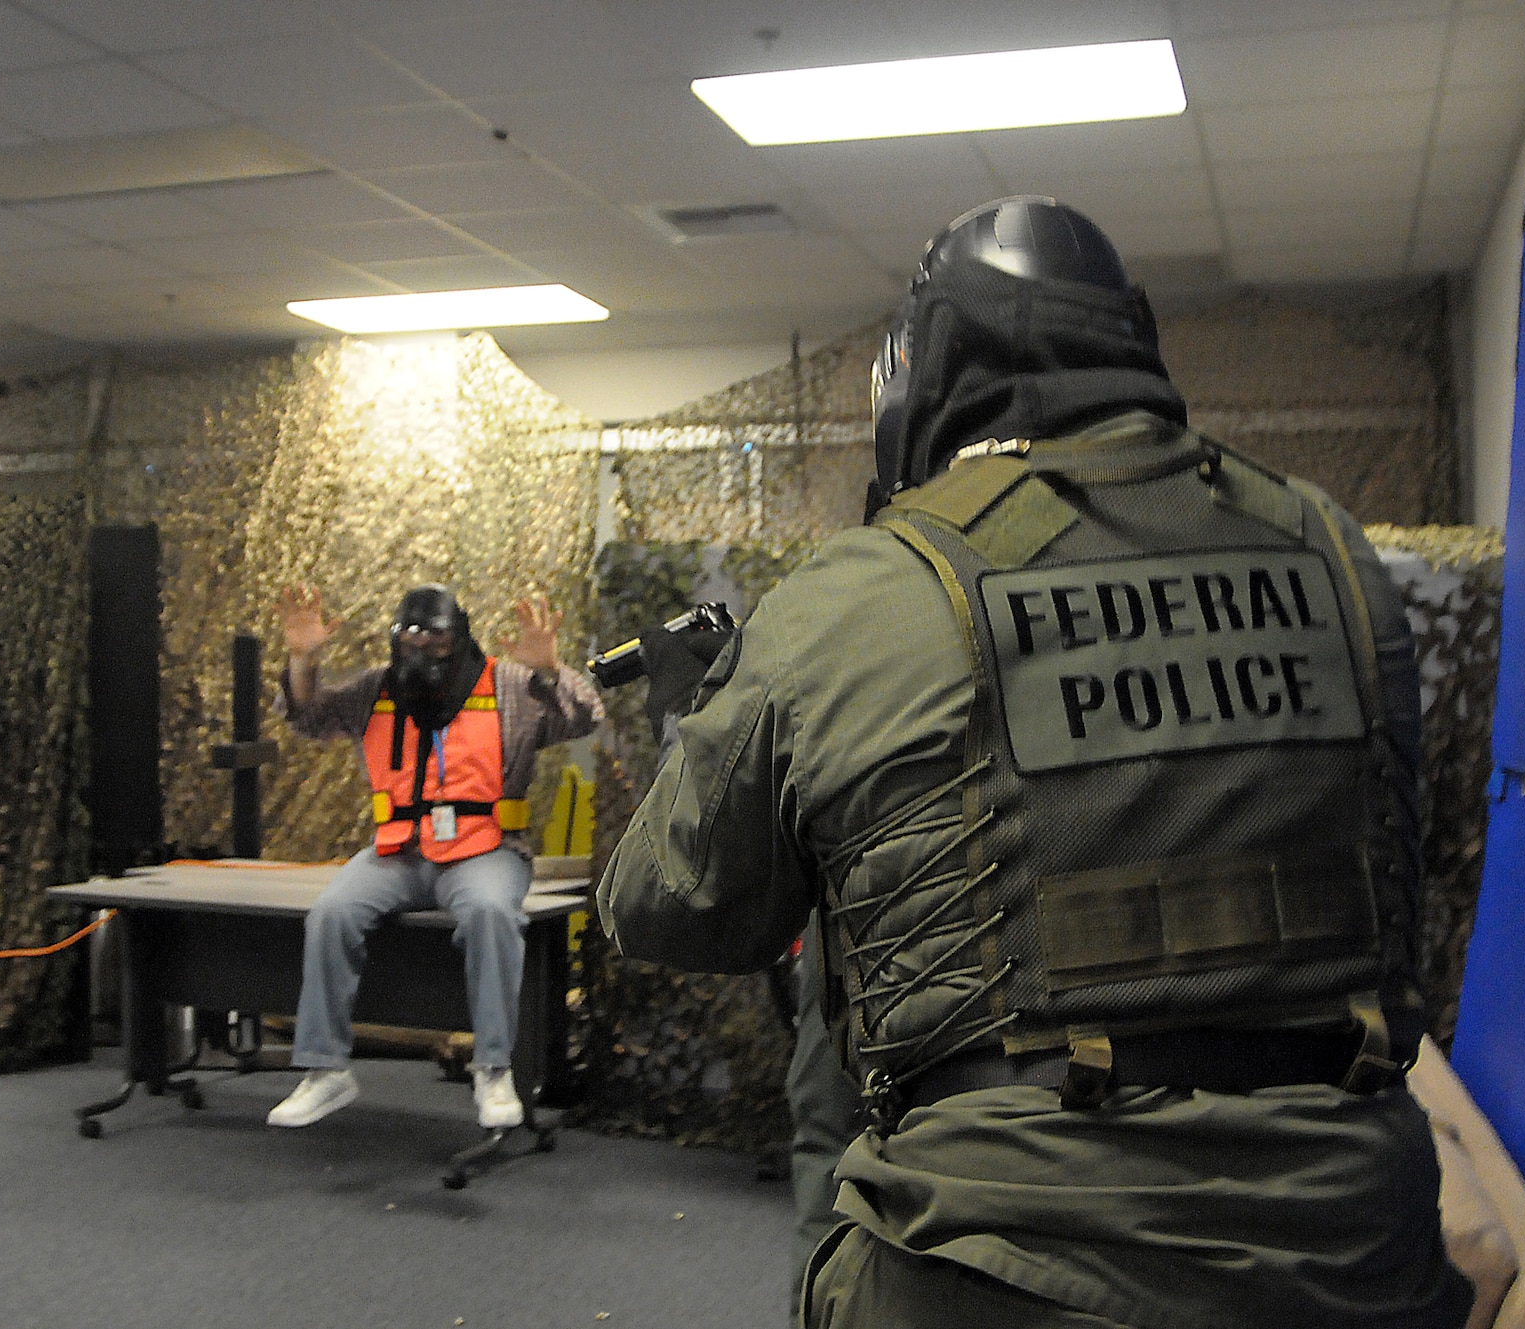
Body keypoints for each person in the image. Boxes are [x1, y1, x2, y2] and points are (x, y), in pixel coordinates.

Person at [598, 197, 1473, 1328]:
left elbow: (668, 908)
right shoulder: (1326, 546)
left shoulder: (870, 583)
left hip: (997, 1258)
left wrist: (717, 713)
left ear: (929, 367)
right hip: (1353, 1253)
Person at [267, 582, 603, 1131]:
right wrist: (303, 659)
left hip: (485, 850)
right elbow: (308, 715)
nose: (423, 649)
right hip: (397, 851)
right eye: (410, 636)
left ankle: (494, 1067)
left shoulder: (509, 686)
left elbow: (584, 715)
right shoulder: (376, 689)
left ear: (460, 636)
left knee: (491, 913)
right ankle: (324, 1069)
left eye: (438, 638)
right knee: (332, 913)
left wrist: (549, 670)